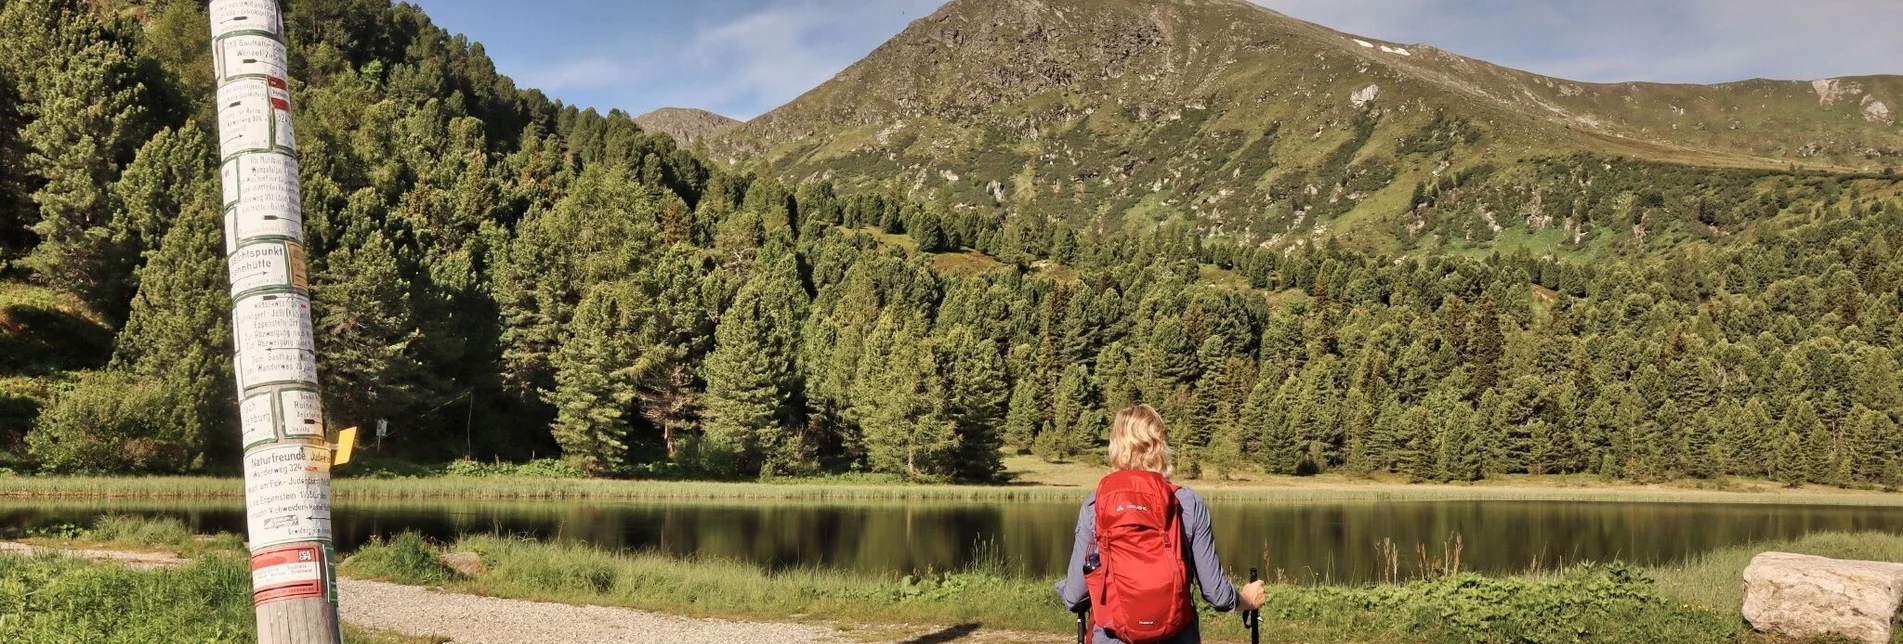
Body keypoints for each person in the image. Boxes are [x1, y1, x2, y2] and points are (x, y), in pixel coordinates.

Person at [1055, 404, 1267, 644]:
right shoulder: (1187, 502)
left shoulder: (1095, 506)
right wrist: (1248, 599)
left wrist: (1064, 587)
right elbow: (1216, 595)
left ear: (1115, 446)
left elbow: (1074, 597)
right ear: (1160, 445)